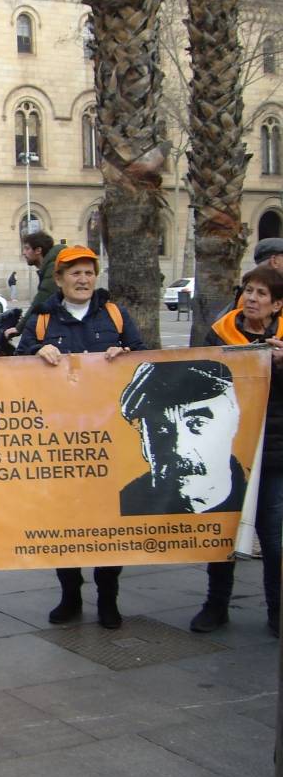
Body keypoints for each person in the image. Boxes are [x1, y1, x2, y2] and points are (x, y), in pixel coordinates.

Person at [17, 246, 145, 629]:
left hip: (111, 435)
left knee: (108, 520)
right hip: (60, 437)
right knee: (63, 518)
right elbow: (17, 361)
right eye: (75, 273)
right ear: (59, 279)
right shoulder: (40, 319)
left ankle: (108, 597)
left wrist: (125, 355)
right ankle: (70, 593)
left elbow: (142, 357)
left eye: (89, 272)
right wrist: (40, 351)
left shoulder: (116, 315)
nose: (83, 279)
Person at [191, 264, 283, 636]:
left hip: (275, 454)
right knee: (223, 533)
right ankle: (216, 606)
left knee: (274, 538)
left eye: (262, 294)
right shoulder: (220, 332)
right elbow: (198, 379)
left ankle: (276, 610)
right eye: (248, 290)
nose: (252, 299)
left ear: (277, 305)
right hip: (228, 449)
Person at [119, 361, 246, 516]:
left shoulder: (257, 497)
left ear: (232, 424)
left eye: (198, 424)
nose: (179, 448)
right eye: (161, 428)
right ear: (144, 441)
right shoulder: (125, 507)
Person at [6, 231, 65, 339]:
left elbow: (42, 298)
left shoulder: (53, 266)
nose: (24, 253)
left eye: (27, 248)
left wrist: (19, 327)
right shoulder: (50, 265)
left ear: (38, 250)